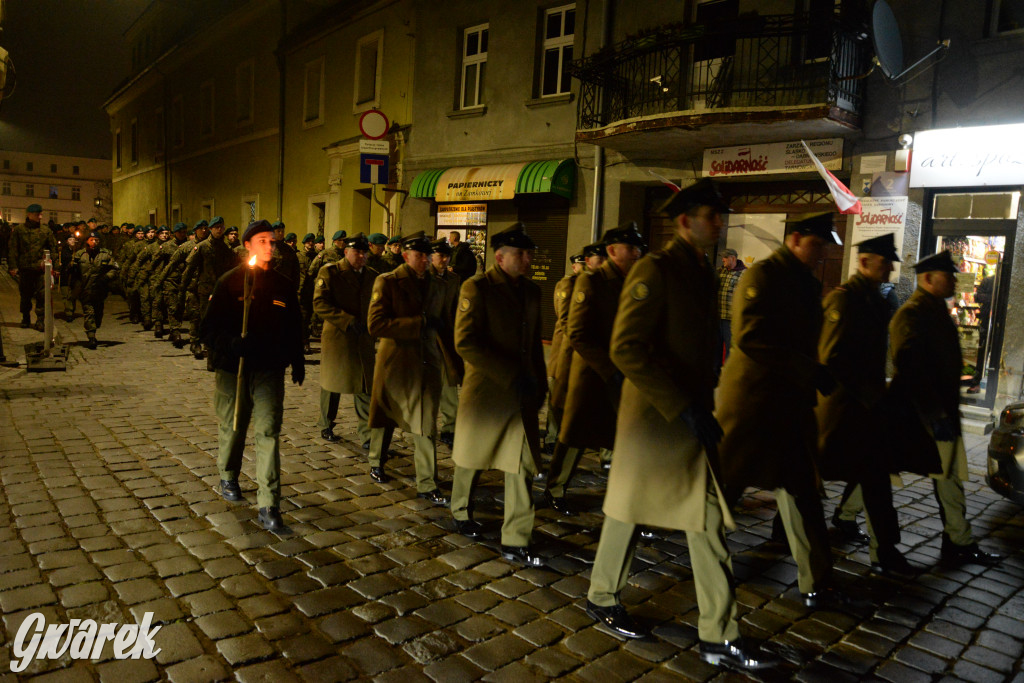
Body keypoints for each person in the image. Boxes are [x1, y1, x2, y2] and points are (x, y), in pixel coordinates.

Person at [585, 179, 777, 671]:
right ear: (685, 219)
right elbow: (625, 347)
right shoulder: (658, 267)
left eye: (720, 216)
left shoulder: (699, 268)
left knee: (693, 519)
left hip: (685, 415)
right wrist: (682, 406)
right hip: (655, 418)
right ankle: (704, 631)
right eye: (711, 216)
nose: (719, 223)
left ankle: (710, 631)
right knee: (641, 512)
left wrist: (700, 400)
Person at [716, 211, 849, 609]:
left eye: (826, 245)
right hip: (754, 403)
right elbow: (750, 338)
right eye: (818, 243)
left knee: (804, 491)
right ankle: (695, 548)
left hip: (791, 405)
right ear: (795, 239)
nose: (823, 252)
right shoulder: (761, 276)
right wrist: (810, 370)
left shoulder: (806, 283)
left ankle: (817, 581)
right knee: (723, 489)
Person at [888, 250, 1001, 566]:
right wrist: (936, 414)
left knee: (948, 474)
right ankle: (848, 517)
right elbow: (910, 367)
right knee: (880, 471)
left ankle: (958, 541)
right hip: (915, 414)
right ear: (927, 279)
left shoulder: (936, 311)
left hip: (937, 412)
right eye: (948, 275)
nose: (954, 280)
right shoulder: (911, 314)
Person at [449, 223, 547, 567]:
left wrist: (540, 382)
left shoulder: (532, 292)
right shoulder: (476, 288)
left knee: (521, 464)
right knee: (473, 457)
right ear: (501, 257)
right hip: (489, 391)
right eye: (522, 254)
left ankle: (516, 539)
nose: (528, 259)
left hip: (520, 395)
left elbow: (533, 343)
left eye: (530, 253)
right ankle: (460, 509)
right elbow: (465, 342)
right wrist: (509, 374)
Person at [815, 233, 912, 575]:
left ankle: (885, 550)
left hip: (866, 410)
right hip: (839, 408)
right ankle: (789, 532)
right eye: (884, 263)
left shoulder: (876, 301)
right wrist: (868, 393)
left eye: (890, 264)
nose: (888, 270)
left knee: (875, 477)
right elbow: (830, 358)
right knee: (809, 475)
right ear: (864, 262)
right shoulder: (844, 301)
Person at [200, 219, 305, 532]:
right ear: (247, 244)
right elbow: (208, 329)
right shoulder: (230, 282)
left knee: (268, 431)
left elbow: (293, 325)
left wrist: (297, 358)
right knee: (234, 427)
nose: (269, 246)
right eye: (262, 240)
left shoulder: (283, 284)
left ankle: (269, 502)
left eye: (272, 241)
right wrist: (232, 344)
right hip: (234, 370)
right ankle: (228, 473)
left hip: (269, 369)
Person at [544, 224, 645, 515]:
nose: (637, 253)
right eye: (631, 248)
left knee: (624, 437)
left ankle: (626, 497)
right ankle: (556, 486)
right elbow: (577, 333)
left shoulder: (635, 282)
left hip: (624, 374)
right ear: (613, 251)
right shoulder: (591, 282)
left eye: (639, 248)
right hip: (591, 374)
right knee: (574, 436)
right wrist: (609, 368)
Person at [364, 232, 452, 505]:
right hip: (396, 362)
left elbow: (443, 321)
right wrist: (417, 323)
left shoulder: (437, 285)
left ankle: (427, 482)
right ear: (405, 256)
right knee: (387, 415)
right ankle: (376, 460)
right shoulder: (388, 281)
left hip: (427, 362)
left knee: (426, 423)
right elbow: (375, 325)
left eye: (427, 256)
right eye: (419, 255)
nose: (424, 260)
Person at [312, 233, 379, 448]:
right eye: (356, 252)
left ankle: (368, 436)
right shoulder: (330, 272)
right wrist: (346, 320)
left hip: (363, 338)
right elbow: (320, 303)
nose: (361, 256)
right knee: (332, 384)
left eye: (364, 252)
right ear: (346, 252)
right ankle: (326, 423)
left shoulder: (372, 275)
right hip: (339, 337)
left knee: (365, 385)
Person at [545, 243, 605, 454]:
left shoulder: (598, 284)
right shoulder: (569, 285)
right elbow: (566, 320)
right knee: (558, 396)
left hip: (582, 353)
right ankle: (553, 437)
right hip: (565, 351)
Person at [181, 217, 237, 368]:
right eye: (216, 227)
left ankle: (219, 355)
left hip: (222, 292)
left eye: (221, 227)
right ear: (211, 229)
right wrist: (183, 290)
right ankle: (211, 359)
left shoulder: (225, 249)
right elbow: (189, 269)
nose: (219, 230)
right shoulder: (202, 247)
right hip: (205, 291)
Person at [430, 238, 464, 446]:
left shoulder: (453, 279)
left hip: (446, 338)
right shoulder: (424, 278)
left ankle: (450, 428)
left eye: (446, 256)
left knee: (449, 385)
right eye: (440, 256)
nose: (444, 259)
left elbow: (456, 307)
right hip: (426, 337)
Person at [8, 203, 58, 330]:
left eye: (41, 214)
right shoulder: (19, 230)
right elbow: (13, 249)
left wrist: (56, 267)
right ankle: (25, 317)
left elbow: (53, 249)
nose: (40, 217)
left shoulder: (46, 231)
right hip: (25, 269)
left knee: (42, 296)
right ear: (29, 215)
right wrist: (13, 266)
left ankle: (40, 320)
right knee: (25, 295)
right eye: (37, 214)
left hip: (40, 269)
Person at [72, 231, 119, 349]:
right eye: (92, 240)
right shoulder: (80, 254)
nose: (94, 242)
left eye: (96, 240)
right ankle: (91, 336)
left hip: (100, 290)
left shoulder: (105, 254)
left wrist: (106, 278)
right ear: (87, 241)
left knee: (98, 314)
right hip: (85, 289)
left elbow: (115, 269)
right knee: (89, 312)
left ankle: (95, 326)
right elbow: (73, 270)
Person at [156, 222, 197, 348]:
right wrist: (158, 280)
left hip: (185, 280)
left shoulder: (189, 245)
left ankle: (175, 329)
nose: (183, 234)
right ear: (175, 233)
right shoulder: (167, 246)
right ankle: (176, 331)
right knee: (172, 306)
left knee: (181, 307)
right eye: (180, 232)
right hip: (171, 280)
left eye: (185, 232)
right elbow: (157, 262)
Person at [716, 247, 745, 366]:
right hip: (718, 317)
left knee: (730, 349)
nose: (722, 260)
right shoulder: (720, 271)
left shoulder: (743, 274)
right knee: (715, 349)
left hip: (730, 319)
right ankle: (714, 375)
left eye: (725, 257)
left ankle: (726, 375)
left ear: (733, 258)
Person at [967, 272, 995, 393]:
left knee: (991, 353)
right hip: (986, 321)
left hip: (997, 322)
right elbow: (977, 296)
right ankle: (976, 382)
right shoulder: (988, 281)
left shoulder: (992, 281)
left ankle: (991, 385)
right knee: (982, 351)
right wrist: (994, 298)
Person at [271, 221, 300, 290]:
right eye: (278, 231)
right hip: (271, 287)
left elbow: (295, 271)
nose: (281, 233)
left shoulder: (289, 250)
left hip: (286, 287)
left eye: (282, 231)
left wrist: (295, 288)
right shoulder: (267, 249)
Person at [59, 234, 80, 322]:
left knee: (73, 295)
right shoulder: (64, 251)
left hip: (74, 276)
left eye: (73, 239)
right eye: (70, 239)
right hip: (66, 276)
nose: (72, 241)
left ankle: (71, 310)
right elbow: (66, 259)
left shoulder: (77, 250)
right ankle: (69, 313)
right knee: (67, 295)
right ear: (67, 241)